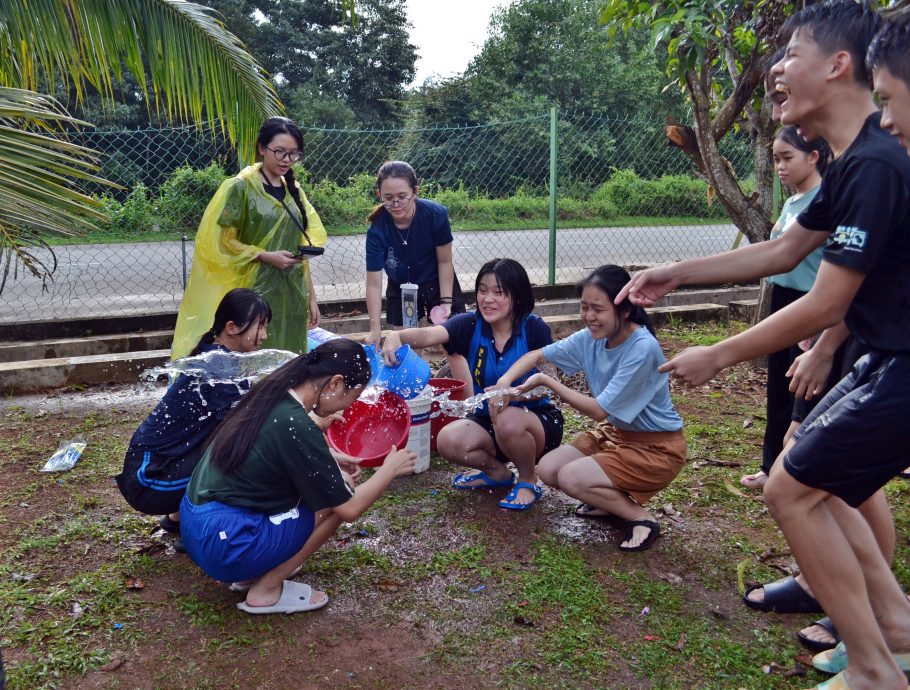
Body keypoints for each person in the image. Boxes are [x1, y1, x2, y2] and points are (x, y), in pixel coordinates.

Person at [618, 3, 910, 687]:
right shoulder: (851, 162)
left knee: (792, 489)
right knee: (810, 478)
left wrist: (719, 354)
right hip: (882, 356)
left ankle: (875, 666)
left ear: (839, 65)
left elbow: (827, 300)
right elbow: (783, 250)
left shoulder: (876, 163)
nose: (776, 68)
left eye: (792, 53)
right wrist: (677, 272)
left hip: (897, 361)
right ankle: (893, 633)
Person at [180, 338, 416, 614]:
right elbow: (349, 508)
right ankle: (266, 589)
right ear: (336, 383)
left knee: (329, 487)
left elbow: (270, 452)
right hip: (226, 545)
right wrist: (389, 469)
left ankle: (251, 572)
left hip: (199, 529)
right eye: (352, 396)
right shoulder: (295, 423)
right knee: (340, 496)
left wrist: (328, 457)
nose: (347, 408)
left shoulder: (271, 394)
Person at [491, 265, 685, 551]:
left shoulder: (642, 348)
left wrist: (547, 381)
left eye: (598, 308)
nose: (589, 317)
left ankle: (640, 518)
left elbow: (598, 410)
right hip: (616, 434)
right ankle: (610, 504)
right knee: (549, 469)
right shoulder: (592, 337)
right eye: (584, 307)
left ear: (626, 310)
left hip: (655, 449)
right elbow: (536, 355)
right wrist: (505, 383)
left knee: (570, 477)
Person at [381, 258, 563, 510]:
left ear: (518, 296)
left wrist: (515, 396)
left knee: (508, 417)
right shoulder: (468, 324)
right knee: (448, 440)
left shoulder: (534, 329)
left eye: (498, 292)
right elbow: (429, 335)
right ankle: (498, 474)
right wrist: (396, 336)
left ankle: (528, 478)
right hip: (490, 421)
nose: (487, 299)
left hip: (537, 424)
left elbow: (549, 386)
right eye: (482, 290)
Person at [116, 288, 271, 550]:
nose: (265, 336)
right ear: (232, 328)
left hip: (147, 471)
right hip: (149, 481)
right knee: (247, 456)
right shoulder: (219, 369)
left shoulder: (216, 357)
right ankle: (196, 530)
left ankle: (178, 516)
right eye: (260, 327)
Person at [171, 117, 326, 360]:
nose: (286, 160)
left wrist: (311, 299)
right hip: (255, 290)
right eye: (280, 152)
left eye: (293, 154)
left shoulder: (293, 189)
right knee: (254, 358)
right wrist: (264, 255)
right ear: (261, 148)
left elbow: (301, 247)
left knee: (291, 358)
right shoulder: (240, 188)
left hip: (292, 291)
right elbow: (225, 242)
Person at [740, 126, 831, 490]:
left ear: (814, 158)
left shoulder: (826, 201)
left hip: (813, 304)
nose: (779, 166)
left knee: (805, 391)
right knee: (777, 386)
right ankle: (770, 466)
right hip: (783, 299)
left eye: (787, 158)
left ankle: (799, 472)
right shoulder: (793, 201)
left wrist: (817, 323)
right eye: (776, 159)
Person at [363, 161, 466, 346]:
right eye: (388, 198)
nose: (396, 204)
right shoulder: (376, 230)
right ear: (379, 194)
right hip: (401, 288)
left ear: (415, 191)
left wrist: (446, 302)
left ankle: (461, 376)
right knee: (406, 349)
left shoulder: (436, 215)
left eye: (403, 196)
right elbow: (374, 283)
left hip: (437, 282)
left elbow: (444, 262)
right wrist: (375, 327)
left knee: (455, 346)